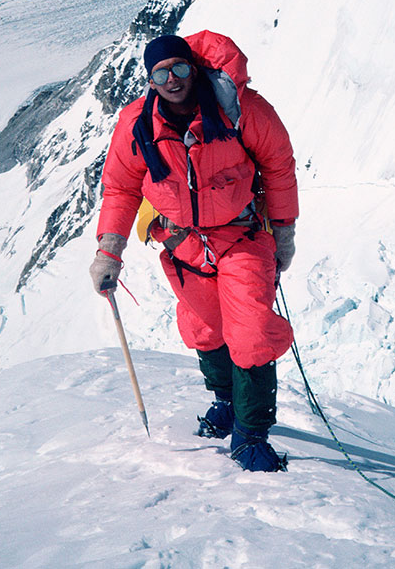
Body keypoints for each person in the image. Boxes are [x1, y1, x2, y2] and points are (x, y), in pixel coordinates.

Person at [89, 30, 298, 472]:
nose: (172, 80)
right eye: (160, 73)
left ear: (194, 67)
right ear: (149, 80)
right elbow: (122, 188)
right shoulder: (137, 124)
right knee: (206, 329)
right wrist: (110, 251)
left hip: (240, 235)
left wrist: (283, 233)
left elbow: (278, 166)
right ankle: (227, 401)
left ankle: (251, 433)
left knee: (252, 332)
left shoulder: (240, 109)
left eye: (179, 68)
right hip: (182, 242)